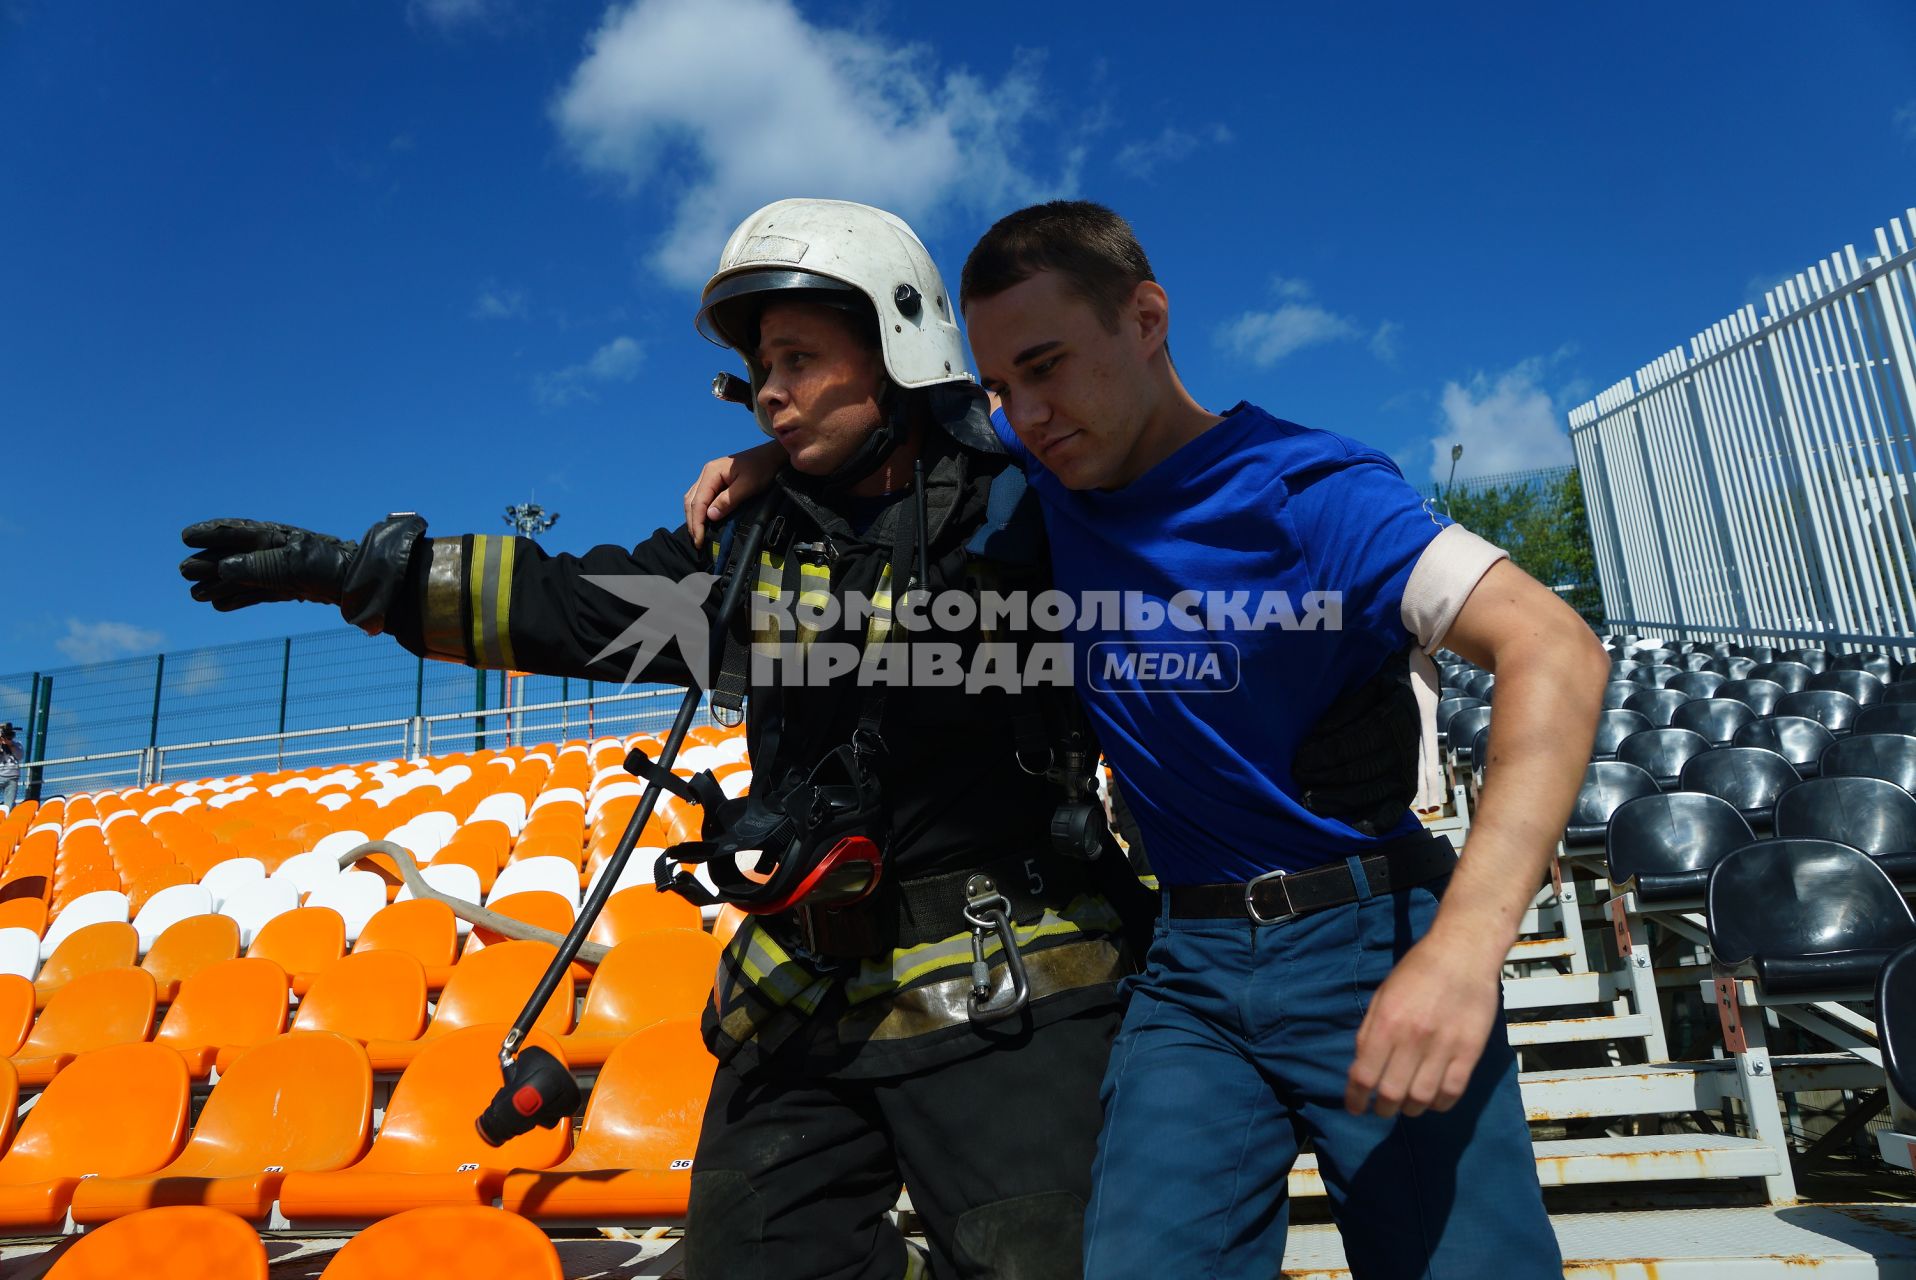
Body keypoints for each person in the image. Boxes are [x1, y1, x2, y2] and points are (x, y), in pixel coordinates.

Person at [179, 199, 1134, 1280]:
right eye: (761, 363)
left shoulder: (1025, 512)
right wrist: (367, 577)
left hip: (1008, 982)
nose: (770, 388)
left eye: (800, 357)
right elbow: (579, 608)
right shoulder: (741, 552)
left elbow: (1115, 447)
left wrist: (953, 430)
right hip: (800, 986)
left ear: (898, 344)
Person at [686, 200, 1611, 1275]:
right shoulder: (1041, 486)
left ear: (1146, 317)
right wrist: (779, 471)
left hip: (1370, 933)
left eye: (1048, 364)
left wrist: (1460, 950)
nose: (1026, 414)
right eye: (998, 388)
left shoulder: (1308, 491)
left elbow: (1555, 649)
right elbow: (904, 455)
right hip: (1188, 962)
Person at [0, 724, 22, 808]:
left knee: (9, 804)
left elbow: (19, 756)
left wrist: (10, 745)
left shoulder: (17, 744)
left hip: (12, 776)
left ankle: (7, 818)